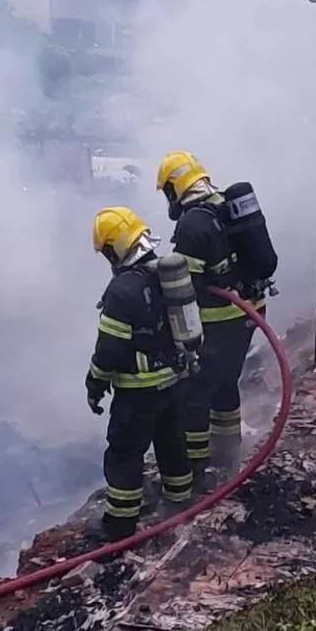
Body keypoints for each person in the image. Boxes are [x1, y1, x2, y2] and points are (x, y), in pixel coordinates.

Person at [155, 151, 266, 489]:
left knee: (195, 393)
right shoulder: (226, 204)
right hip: (251, 311)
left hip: (221, 321)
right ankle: (227, 452)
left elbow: (185, 286)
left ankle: (197, 467)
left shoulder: (192, 224)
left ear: (174, 188)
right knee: (225, 382)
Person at [85, 206, 193, 542]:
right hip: (173, 379)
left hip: (138, 390)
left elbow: (110, 350)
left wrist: (95, 383)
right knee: (171, 440)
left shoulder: (122, 290)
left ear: (114, 247)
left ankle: (119, 526)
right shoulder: (163, 273)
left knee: (124, 453)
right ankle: (180, 501)